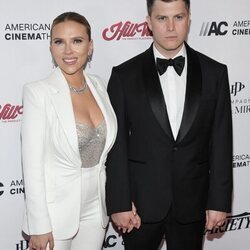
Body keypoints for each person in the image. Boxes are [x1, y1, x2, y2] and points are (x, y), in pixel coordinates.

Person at [106, 0, 233, 249]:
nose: (171, 27)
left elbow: (221, 141)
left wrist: (219, 201)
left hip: (192, 203)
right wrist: (119, 202)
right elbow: (116, 146)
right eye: (162, 18)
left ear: (189, 18)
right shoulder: (124, 75)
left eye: (178, 17)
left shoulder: (215, 73)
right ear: (149, 22)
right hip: (139, 208)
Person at [21, 12, 117, 250]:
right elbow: (31, 166)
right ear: (51, 47)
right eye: (59, 42)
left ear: (90, 46)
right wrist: (39, 225)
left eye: (77, 41)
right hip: (54, 214)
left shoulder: (99, 86)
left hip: (96, 209)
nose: (68, 51)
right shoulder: (38, 93)